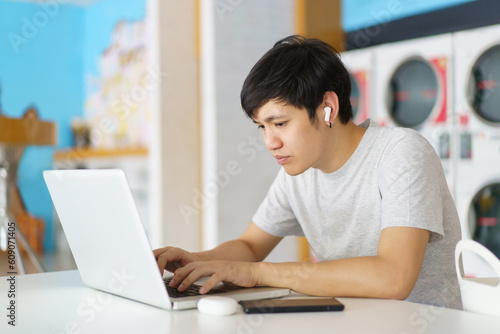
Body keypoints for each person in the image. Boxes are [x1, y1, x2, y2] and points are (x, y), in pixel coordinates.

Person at [154, 35, 462, 309]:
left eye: (280, 123)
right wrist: (197, 261)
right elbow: (250, 246)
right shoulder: (298, 171)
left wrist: (258, 274)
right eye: (262, 127)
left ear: (327, 107)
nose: (270, 142)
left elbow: (394, 277)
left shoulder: (401, 153)